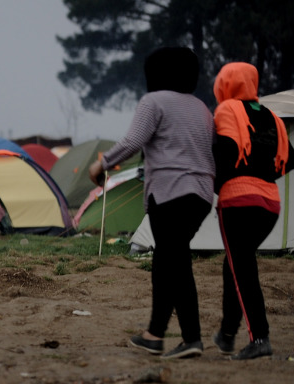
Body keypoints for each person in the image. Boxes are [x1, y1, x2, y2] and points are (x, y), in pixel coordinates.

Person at [89, 46, 215, 359]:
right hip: (201, 194)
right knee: (170, 261)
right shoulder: (201, 108)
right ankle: (157, 335)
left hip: (170, 192)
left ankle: (186, 337)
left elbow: (133, 141)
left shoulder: (153, 101)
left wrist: (101, 164)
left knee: (174, 263)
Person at [210, 62, 294, 360]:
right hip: (269, 204)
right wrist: (263, 174)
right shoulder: (273, 117)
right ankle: (227, 334)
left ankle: (259, 337)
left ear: (225, 84)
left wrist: (216, 186)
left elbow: (223, 152)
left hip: (238, 202)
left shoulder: (226, 111)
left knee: (242, 269)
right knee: (235, 265)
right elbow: (292, 159)